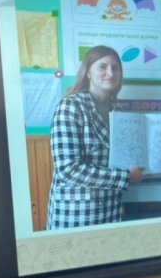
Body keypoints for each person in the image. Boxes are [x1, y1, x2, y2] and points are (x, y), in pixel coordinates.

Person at [47, 45, 145, 229]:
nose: (110, 73)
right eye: (102, 66)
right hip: (76, 214)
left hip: (110, 209)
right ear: (88, 72)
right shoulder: (71, 106)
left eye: (115, 68)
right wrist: (125, 177)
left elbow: (129, 154)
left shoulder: (118, 110)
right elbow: (68, 170)